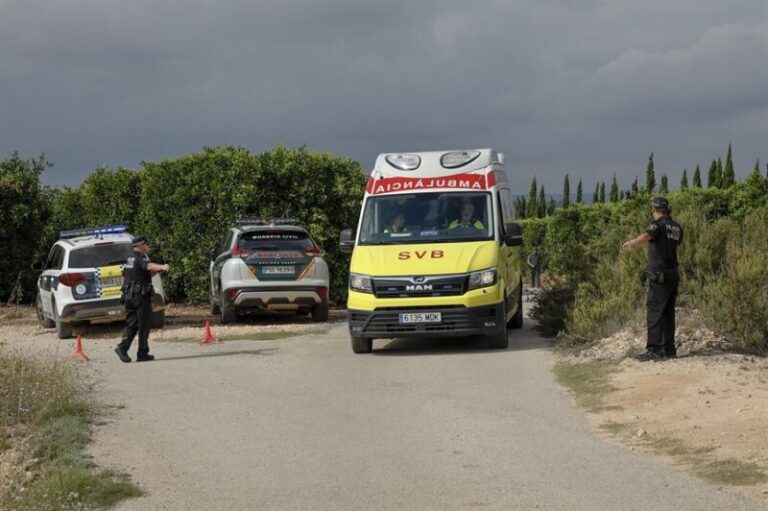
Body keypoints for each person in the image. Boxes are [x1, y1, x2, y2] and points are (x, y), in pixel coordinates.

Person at [622, 197, 683, 361]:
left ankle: (654, 350)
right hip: (673, 274)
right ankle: (668, 349)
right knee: (668, 313)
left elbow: (647, 235)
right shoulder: (676, 227)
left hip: (660, 276)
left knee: (655, 312)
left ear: (654, 209)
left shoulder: (658, 225)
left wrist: (633, 243)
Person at [115, 236, 171, 363]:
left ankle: (122, 348)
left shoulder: (130, 259)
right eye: (147, 244)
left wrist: (157, 271)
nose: (148, 246)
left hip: (129, 296)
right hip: (140, 296)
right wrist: (162, 266)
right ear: (140, 245)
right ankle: (142, 353)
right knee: (144, 324)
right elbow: (148, 266)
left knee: (132, 323)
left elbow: (139, 273)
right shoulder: (140, 258)